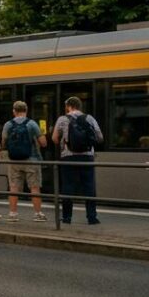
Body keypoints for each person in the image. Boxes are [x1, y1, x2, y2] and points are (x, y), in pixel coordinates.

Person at [53, 96, 103, 225]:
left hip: (68, 157)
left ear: (68, 106)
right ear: (79, 106)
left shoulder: (62, 119)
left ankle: (67, 218)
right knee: (89, 186)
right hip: (87, 157)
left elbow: (54, 138)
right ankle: (92, 217)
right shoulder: (89, 118)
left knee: (68, 186)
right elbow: (100, 137)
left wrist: (63, 141)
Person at [2, 101, 47, 222]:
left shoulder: (8, 125)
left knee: (13, 187)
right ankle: (38, 214)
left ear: (14, 111)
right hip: (31, 159)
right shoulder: (32, 124)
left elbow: (4, 143)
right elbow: (43, 143)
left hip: (14, 161)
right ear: (26, 111)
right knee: (34, 187)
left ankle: (12, 214)